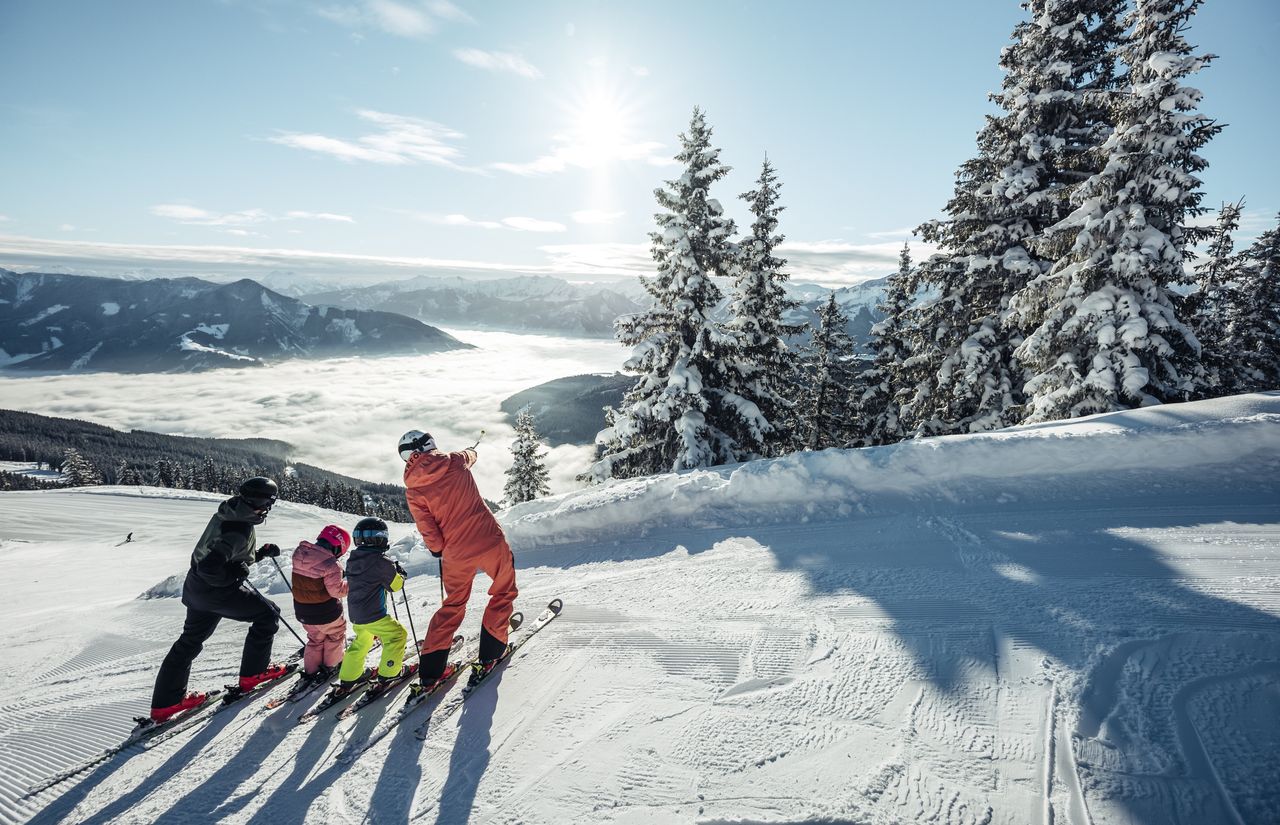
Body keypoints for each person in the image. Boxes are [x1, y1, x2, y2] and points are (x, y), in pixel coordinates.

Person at [148, 476, 291, 723]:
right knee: (268, 614)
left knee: (189, 641)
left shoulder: (230, 512)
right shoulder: (240, 527)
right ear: (267, 502)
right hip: (216, 590)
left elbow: (223, 555)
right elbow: (213, 568)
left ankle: (166, 703)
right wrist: (235, 573)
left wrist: (257, 555)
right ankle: (253, 674)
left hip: (196, 589)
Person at [399, 429, 519, 691]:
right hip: (489, 540)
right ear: (429, 444)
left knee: (452, 605)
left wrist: (437, 549)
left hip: (455, 553)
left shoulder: (413, 491)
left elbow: (428, 529)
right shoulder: (455, 460)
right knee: (503, 591)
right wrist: (472, 451)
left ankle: (431, 671)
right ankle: (492, 651)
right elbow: (470, 455)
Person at [333, 517, 411, 695]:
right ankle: (389, 673)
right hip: (374, 615)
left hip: (357, 615)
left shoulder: (353, 559)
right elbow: (394, 586)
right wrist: (400, 574)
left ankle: (349, 676)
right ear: (380, 538)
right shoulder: (381, 561)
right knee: (397, 635)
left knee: (362, 641)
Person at [290, 524, 352, 682]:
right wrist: (350, 584)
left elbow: (313, 572)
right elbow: (336, 591)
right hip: (326, 613)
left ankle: (311, 670)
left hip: (303, 611)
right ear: (338, 546)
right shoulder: (332, 564)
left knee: (315, 639)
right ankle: (332, 665)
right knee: (335, 635)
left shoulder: (299, 554)